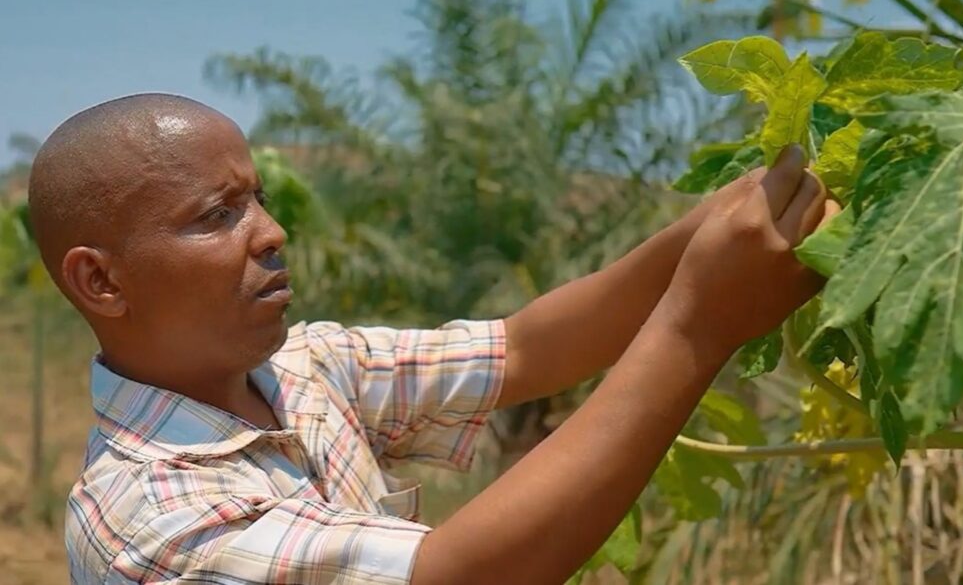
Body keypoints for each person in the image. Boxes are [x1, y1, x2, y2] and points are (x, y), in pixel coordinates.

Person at [29, 93, 837, 584]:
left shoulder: (307, 368)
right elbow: (459, 576)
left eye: (258, 199)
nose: (272, 232)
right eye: (217, 215)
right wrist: (699, 323)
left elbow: (522, 349)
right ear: (101, 281)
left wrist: (707, 228)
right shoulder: (148, 522)